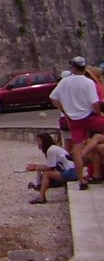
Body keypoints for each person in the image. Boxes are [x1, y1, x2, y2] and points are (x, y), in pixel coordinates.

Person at [49, 56, 104, 190]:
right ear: (84, 67)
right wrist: (99, 113)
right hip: (89, 116)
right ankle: (89, 151)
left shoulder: (64, 82)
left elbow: (53, 97)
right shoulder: (88, 82)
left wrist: (64, 110)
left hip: (73, 119)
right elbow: (95, 104)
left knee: (76, 149)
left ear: (72, 67)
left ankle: (81, 181)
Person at [26, 132, 77, 204]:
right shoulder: (54, 148)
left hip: (71, 172)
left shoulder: (51, 150)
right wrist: (36, 166)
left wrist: (36, 167)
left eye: (39, 141)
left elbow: (49, 168)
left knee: (46, 174)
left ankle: (41, 197)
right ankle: (40, 190)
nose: (38, 143)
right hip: (71, 170)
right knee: (45, 172)